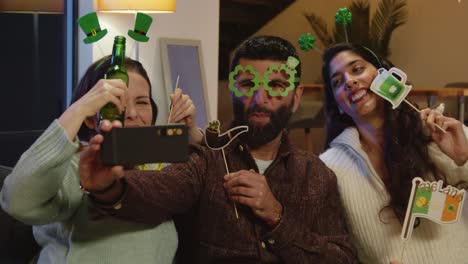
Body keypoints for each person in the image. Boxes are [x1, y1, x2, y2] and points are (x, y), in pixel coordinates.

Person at [78, 36, 357, 263]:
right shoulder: (204, 159)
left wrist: (277, 217)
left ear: (295, 98)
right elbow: (156, 190)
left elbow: (342, 259)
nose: (260, 98)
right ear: (232, 89)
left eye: (276, 85)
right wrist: (108, 188)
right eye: (248, 84)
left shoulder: (317, 175)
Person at [0, 55, 202, 263]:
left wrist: (193, 133)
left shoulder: (160, 165)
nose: (131, 113)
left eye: (142, 102)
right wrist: (78, 109)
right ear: (91, 117)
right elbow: (17, 202)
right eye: (116, 102)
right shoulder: (77, 164)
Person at [319, 42, 468, 264]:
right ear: (338, 104)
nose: (350, 81)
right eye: (337, 82)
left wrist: (463, 157)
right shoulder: (328, 168)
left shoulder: (443, 133)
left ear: (386, 77)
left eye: (357, 69)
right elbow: (337, 249)